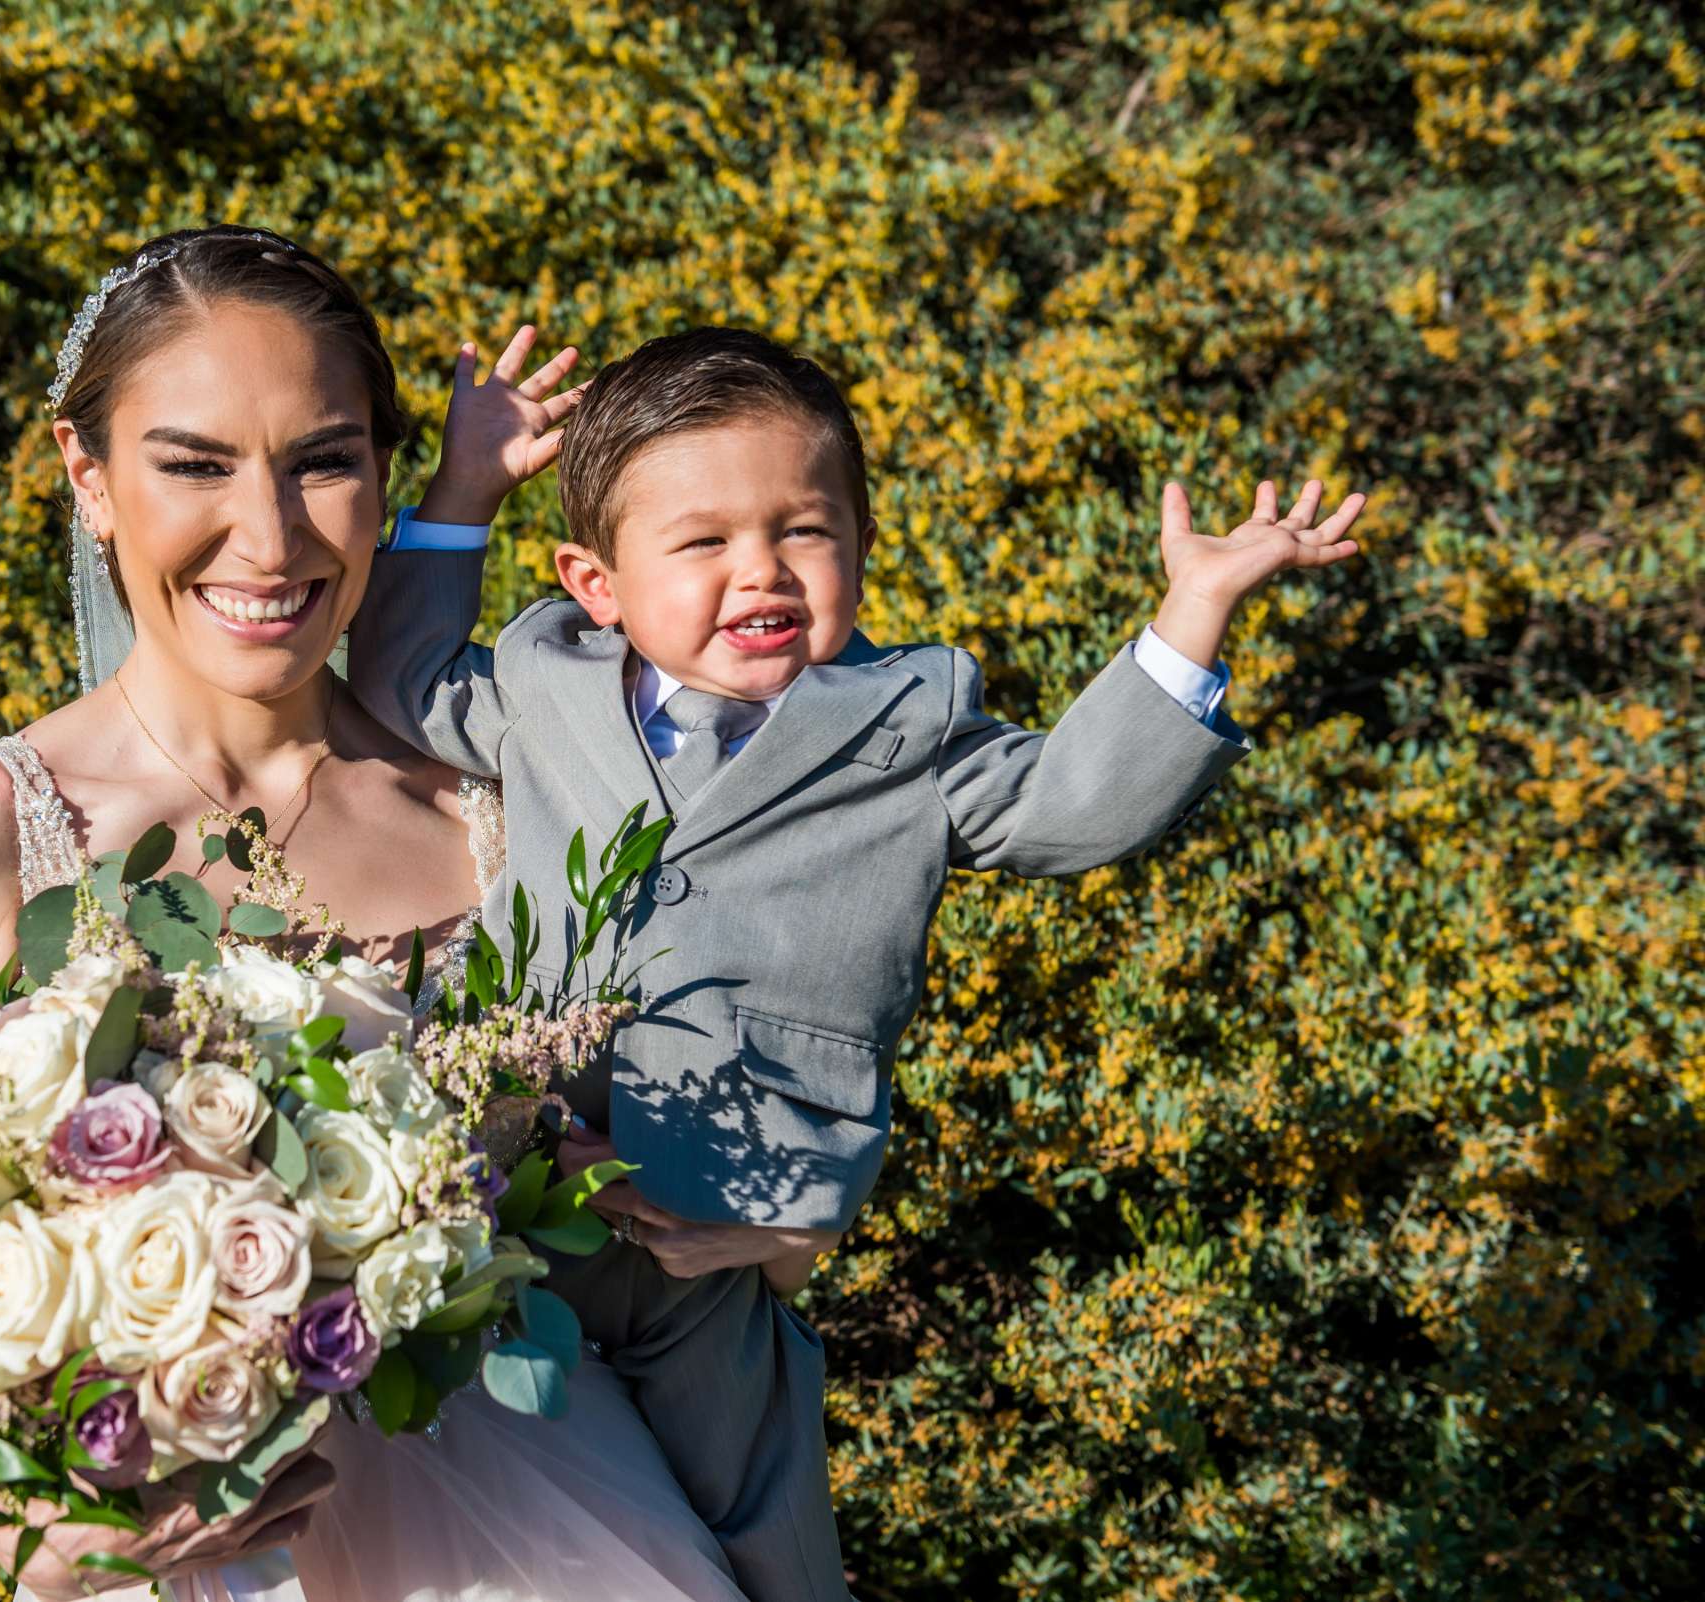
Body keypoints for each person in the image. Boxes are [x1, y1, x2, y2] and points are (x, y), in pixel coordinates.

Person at [349, 324, 1369, 1601]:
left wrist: (1192, 613)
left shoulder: (910, 725)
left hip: (723, 1217)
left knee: (760, 1528)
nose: (762, 570)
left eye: (804, 530)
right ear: (596, 582)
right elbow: (401, 677)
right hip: (499, 1194)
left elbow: (1070, 807)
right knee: (490, 1501)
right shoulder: (551, 679)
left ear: (860, 548)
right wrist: (462, 492)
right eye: (705, 541)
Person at [0, 226, 746, 1600]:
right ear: (89, 479)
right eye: (192, 464)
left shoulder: (506, 813)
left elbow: (673, 1159)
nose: (267, 538)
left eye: (323, 460)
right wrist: (26, 1527)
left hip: (541, 1533)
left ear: (385, 478)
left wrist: (785, 1223)